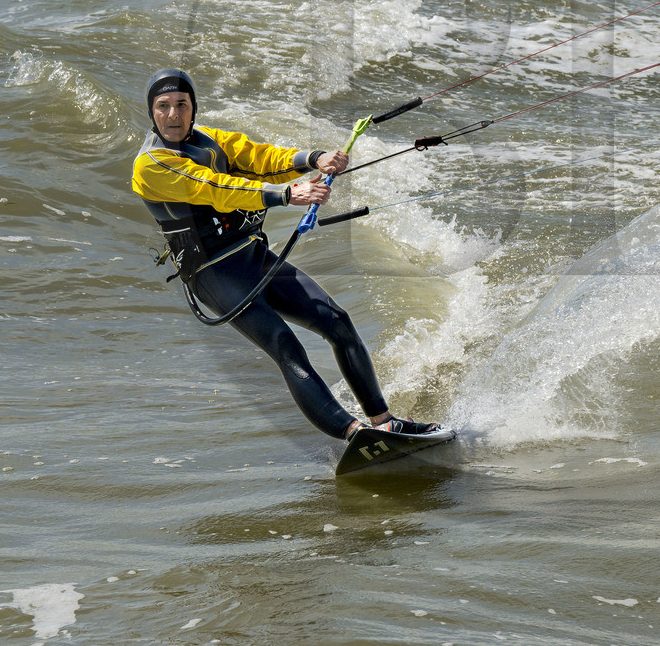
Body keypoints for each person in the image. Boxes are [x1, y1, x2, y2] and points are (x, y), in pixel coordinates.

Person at [130, 68, 440, 440]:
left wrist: (315, 159)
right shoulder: (151, 164)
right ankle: (353, 432)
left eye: (182, 104)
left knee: (337, 322)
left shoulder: (208, 139)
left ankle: (384, 423)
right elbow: (217, 188)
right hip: (214, 272)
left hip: (251, 255)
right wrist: (287, 196)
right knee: (285, 345)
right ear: (152, 113)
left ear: (193, 108)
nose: (173, 114)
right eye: (163, 106)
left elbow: (259, 157)